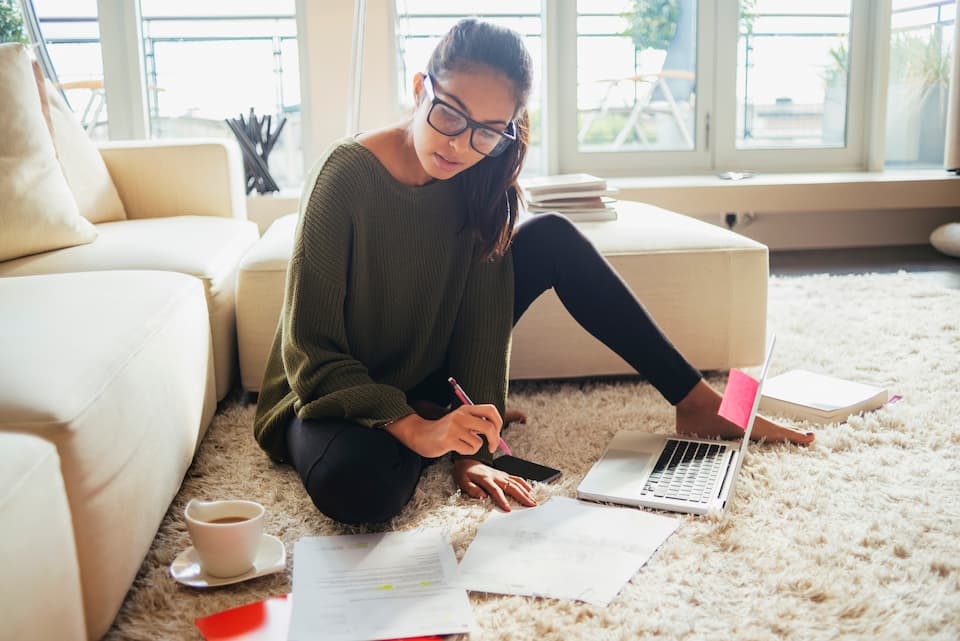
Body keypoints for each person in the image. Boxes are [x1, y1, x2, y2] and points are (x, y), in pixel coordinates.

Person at [253, 17, 813, 525]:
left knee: (551, 238)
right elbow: (312, 351)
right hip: (330, 391)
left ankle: (696, 401)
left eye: (488, 131)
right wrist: (415, 427)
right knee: (360, 492)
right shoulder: (344, 177)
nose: (459, 144)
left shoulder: (480, 178)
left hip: (425, 368)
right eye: (449, 113)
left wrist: (475, 448)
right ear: (421, 88)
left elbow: (482, 321)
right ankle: (428, 425)